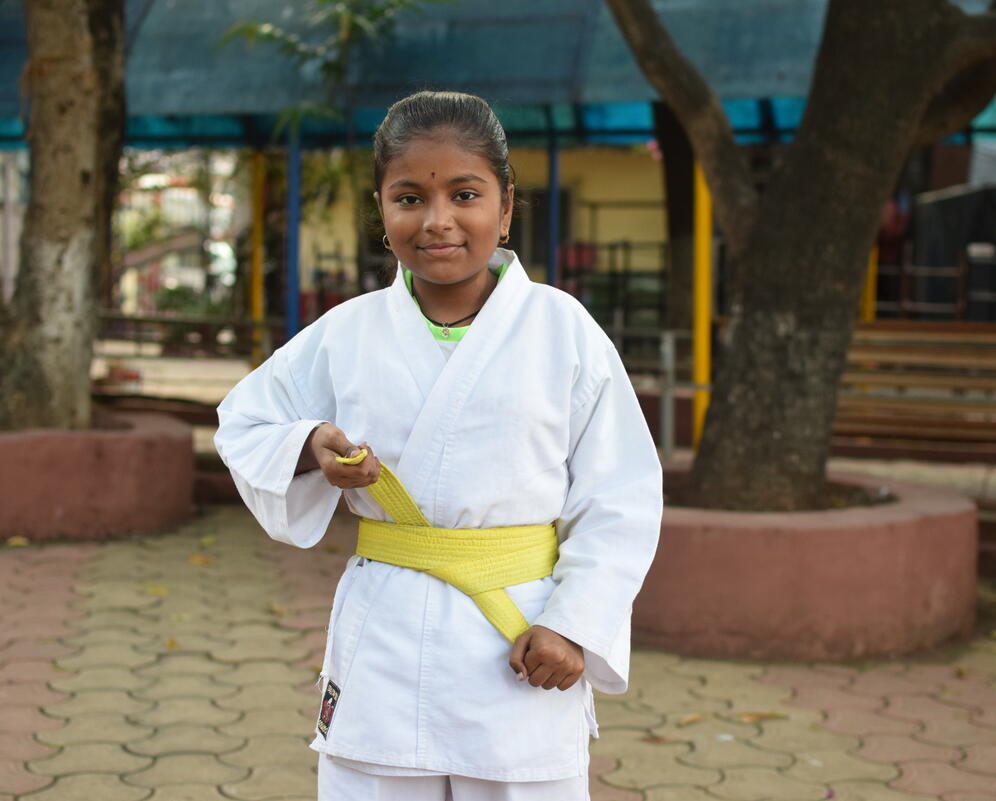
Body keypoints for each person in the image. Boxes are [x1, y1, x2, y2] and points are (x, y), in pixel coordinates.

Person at [215, 90, 662, 801]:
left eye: (465, 194)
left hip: (522, 634)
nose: (439, 221)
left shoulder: (563, 330)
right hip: (386, 636)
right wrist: (310, 444)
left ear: (506, 206)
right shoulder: (348, 331)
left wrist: (574, 623)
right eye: (409, 198)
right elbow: (244, 421)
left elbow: (621, 495)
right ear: (382, 212)